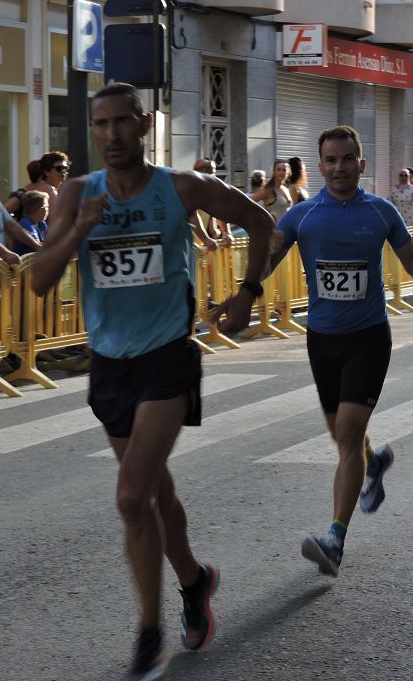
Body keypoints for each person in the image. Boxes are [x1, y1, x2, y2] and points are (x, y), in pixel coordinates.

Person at [29, 82, 275, 681]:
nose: (111, 134)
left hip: (168, 354)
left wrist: (248, 292)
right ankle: (195, 581)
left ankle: (147, 633)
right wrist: (78, 230)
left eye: (121, 122)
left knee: (131, 497)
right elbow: (37, 280)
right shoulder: (75, 195)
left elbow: (260, 221)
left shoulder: (180, 188)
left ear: (143, 126)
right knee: (157, 494)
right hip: (110, 361)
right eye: (100, 124)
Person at [268, 125, 413, 576]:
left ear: (362, 164)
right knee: (344, 437)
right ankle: (375, 461)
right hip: (321, 339)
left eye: (347, 159)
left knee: (347, 432)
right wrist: (243, 290)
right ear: (320, 166)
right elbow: (264, 261)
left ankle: (335, 538)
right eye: (330, 160)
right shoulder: (300, 216)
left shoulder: (380, 212)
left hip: (368, 337)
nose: (339, 167)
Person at [6, 152, 69, 219]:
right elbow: (55, 221)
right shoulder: (49, 189)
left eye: (65, 168)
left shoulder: (27, 188)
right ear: (46, 172)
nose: (63, 172)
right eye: (59, 168)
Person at [191, 158, 232, 249]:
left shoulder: (212, 192)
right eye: (210, 172)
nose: (213, 176)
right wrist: (205, 239)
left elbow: (221, 212)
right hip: (189, 244)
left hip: (202, 247)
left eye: (213, 172)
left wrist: (226, 233)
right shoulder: (192, 191)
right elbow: (193, 217)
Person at [12, 190, 50, 256]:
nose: (48, 210)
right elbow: (39, 247)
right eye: (47, 207)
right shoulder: (26, 224)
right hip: (25, 264)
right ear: (42, 209)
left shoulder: (41, 224)